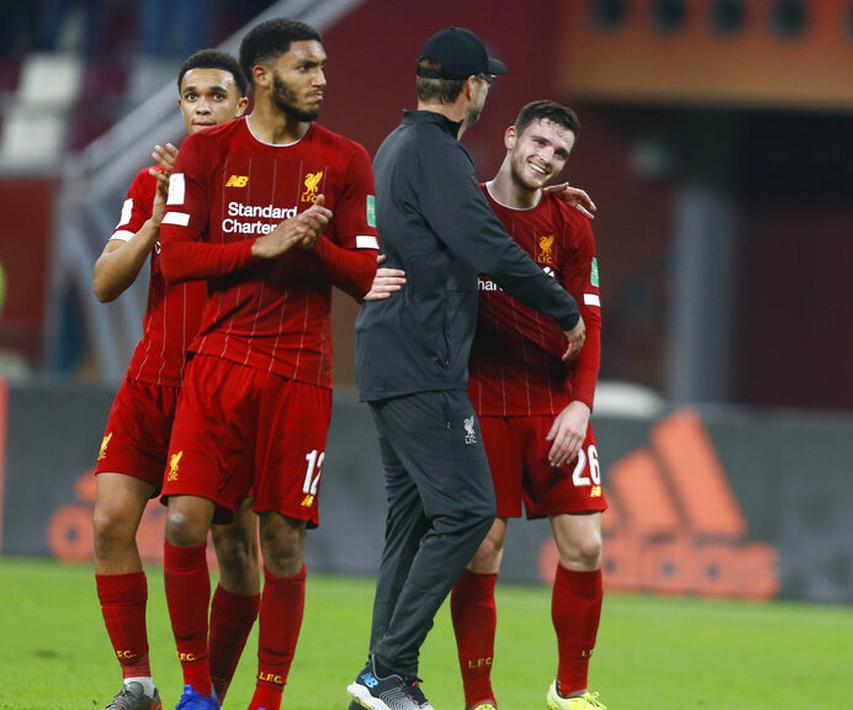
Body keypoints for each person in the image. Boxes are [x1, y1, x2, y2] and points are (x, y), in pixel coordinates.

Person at [348, 27, 584, 710]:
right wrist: (560, 307)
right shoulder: (437, 152)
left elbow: (477, 224)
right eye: (486, 82)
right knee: (469, 510)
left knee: (414, 520)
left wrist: (554, 208)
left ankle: (381, 677)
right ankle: (388, 670)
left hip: (394, 356)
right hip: (422, 360)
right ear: (471, 88)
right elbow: (484, 241)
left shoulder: (401, 146)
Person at [156, 18, 386, 710]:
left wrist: (309, 247)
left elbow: (367, 273)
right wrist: (260, 245)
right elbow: (175, 258)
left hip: (300, 372)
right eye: (305, 67)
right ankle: (197, 689)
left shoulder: (346, 160)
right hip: (218, 362)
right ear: (261, 76)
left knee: (280, 541)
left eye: (322, 67)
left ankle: (265, 699)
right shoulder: (206, 155)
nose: (321, 78)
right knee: (181, 526)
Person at [91, 49, 259, 710]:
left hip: (223, 388)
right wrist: (160, 218)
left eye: (218, 94)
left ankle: (206, 693)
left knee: (235, 553)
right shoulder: (149, 184)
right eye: (193, 96)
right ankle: (138, 685)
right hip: (152, 377)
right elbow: (105, 283)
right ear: (181, 106)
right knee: (109, 522)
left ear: (243, 104)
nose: (204, 106)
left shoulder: (264, 190)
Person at [450, 100, 606, 710]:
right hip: (478, 401)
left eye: (559, 152)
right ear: (512, 137)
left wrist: (581, 407)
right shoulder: (464, 209)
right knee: (483, 548)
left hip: (551, 404)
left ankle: (570, 690)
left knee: (587, 547)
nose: (545, 157)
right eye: (538, 142)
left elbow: (590, 323)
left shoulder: (570, 226)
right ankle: (479, 698)